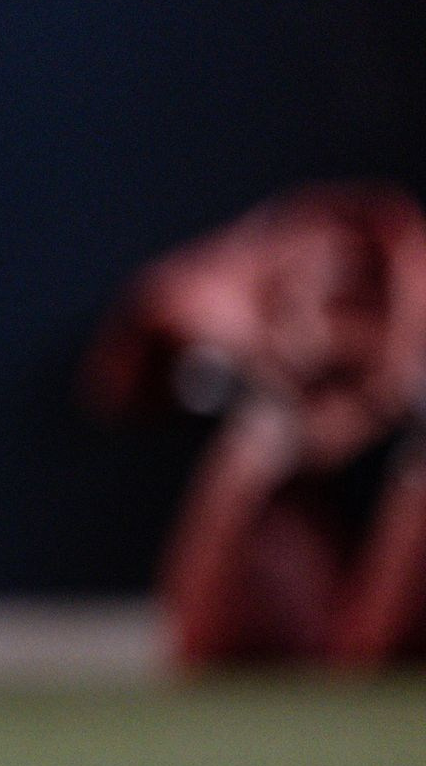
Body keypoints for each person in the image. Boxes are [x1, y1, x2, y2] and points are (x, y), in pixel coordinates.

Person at [81, 182, 426, 670]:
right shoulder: (222, 294)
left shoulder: (414, 289)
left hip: (389, 447)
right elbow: (111, 384)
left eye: (347, 297)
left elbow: (391, 382)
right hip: (286, 450)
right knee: (251, 451)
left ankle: (373, 655)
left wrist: (355, 413)